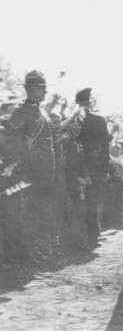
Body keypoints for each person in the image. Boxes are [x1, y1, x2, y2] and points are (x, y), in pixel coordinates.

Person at [4, 70, 58, 260]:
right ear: (30, 89)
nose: (45, 91)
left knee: (44, 211)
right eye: (41, 88)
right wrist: (22, 168)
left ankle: (40, 249)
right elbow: (10, 144)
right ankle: (29, 252)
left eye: (44, 88)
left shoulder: (42, 111)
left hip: (46, 174)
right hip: (30, 174)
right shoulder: (20, 112)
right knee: (29, 213)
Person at [75, 88, 110, 247]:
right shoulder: (96, 119)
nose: (85, 105)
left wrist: (105, 169)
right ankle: (90, 236)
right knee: (90, 202)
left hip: (87, 166)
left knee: (89, 202)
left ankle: (90, 237)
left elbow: (104, 146)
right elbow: (105, 147)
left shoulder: (81, 120)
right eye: (84, 102)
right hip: (86, 166)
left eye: (85, 102)